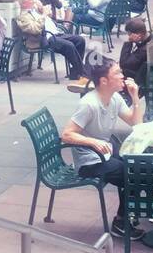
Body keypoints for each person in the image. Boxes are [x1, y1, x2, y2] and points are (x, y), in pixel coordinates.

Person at [61, 59, 145, 239]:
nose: (123, 76)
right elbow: (67, 135)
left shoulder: (114, 98)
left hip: (104, 154)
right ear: (104, 81)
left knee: (136, 167)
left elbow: (134, 122)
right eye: (117, 73)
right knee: (132, 174)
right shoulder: (89, 104)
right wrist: (92, 141)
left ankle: (132, 213)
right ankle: (122, 222)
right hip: (89, 162)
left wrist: (135, 98)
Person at [21, 0, 87, 82]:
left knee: (80, 40)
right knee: (69, 45)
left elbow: (49, 15)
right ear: (24, 3)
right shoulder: (23, 17)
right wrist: (43, 15)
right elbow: (35, 29)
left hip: (56, 33)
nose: (33, 0)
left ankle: (76, 72)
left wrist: (42, 9)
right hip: (45, 38)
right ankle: (83, 72)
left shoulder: (35, 10)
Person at [118, 17, 151, 92]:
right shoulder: (149, 40)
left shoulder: (144, 50)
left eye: (130, 34)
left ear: (139, 34)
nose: (129, 37)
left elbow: (123, 64)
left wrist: (129, 42)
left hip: (135, 78)